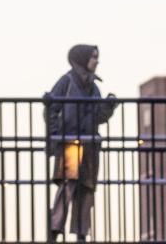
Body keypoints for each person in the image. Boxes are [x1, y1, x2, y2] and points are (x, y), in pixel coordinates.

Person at [45, 44, 118, 243]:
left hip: (90, 144)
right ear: (82, 59)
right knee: (68, 186)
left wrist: (109, 106)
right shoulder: (67, 82)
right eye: (94, 57)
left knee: (87, 189)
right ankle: (55, 228)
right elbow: (50, 107)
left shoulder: (94, 87)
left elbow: (98, 117)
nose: (97, 61)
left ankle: (81, 232)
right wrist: (56, 135)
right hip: (70, 142)